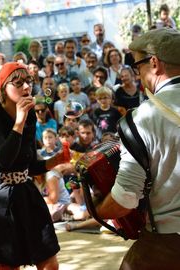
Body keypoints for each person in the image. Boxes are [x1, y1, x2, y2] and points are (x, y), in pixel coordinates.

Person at [0, 62, 70, 269]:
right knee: (9, 266)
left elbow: (29, 167)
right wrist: (19, 122)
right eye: (18, 82)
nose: (26, 87)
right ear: (3, 88)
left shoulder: (29, 116)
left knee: (50, 263)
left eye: (29, 82)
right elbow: (4, 159)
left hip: (25, 195)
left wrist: (54, 161)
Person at [96, 28, 180, 269]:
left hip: (169, 242)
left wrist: (99, 209)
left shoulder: (141, 118)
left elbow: (126, 199)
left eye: (138, 66)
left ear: (154, 63)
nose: (138, 74)